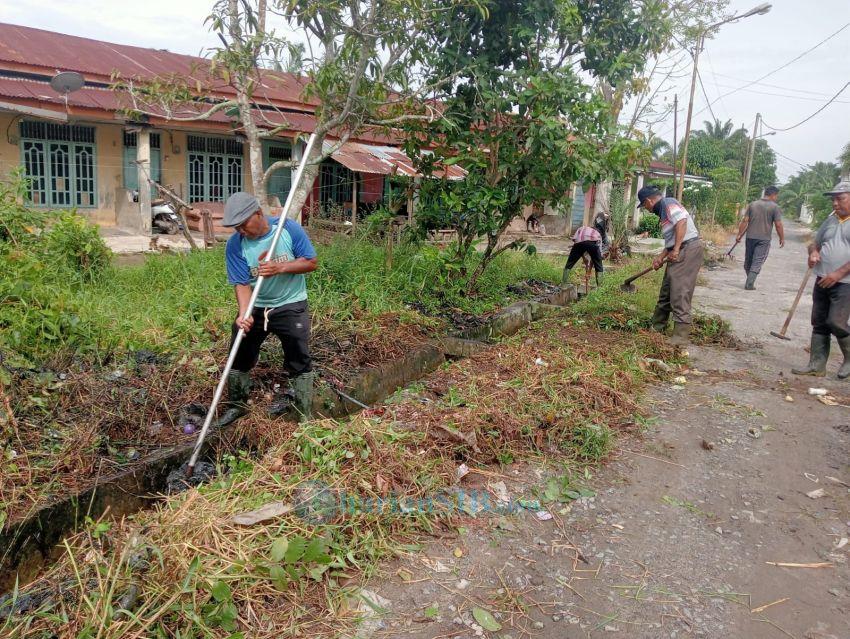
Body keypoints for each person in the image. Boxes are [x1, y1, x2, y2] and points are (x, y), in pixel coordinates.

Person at [216, 192, 319, 426]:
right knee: (240, 349)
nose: (240, 231)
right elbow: (241, 282)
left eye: (243, 225)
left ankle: (304, 413)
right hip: (256, 304)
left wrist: (279, 267)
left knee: (298, 355)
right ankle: (237, 406)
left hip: (289, 303)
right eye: (236, 227)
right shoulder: (235, 244)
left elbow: (311, 262)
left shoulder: (287, 229)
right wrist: (244, 313)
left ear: (259, 214)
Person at [792, 180, 850, 379]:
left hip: (845, 283)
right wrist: (813, 253)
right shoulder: (831, 219)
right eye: (833, 199)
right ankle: (817, 365)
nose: (835, 203)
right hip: (822, 278)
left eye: (840, 198)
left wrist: (838, 273)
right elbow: (814, 243)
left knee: (836, 322)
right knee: (819, 322)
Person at [636, 186, 704, 345]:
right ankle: (657, 327)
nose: (646, 209)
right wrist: (660, 258)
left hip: (687, 249)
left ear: (649, 201)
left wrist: (676, 248)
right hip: (680, 248)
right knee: (666, 290)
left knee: (680, 291)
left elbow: (682, 221)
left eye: (644, 206)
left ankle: (679, 339)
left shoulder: (668, 203)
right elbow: (671, 241)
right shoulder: (664, 212)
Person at [736, 185, 785, 290]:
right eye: (776, 196)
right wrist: (782, 238)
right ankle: (749, 283)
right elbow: (778, 224)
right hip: (764, 239)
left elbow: (745, 221)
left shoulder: (753, 204)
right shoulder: (775, 207)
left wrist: (739, 234)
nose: (776, 198)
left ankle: (750, 280)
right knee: (757, 261)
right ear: (773, 195)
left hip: (750, 237)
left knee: (748, 260)